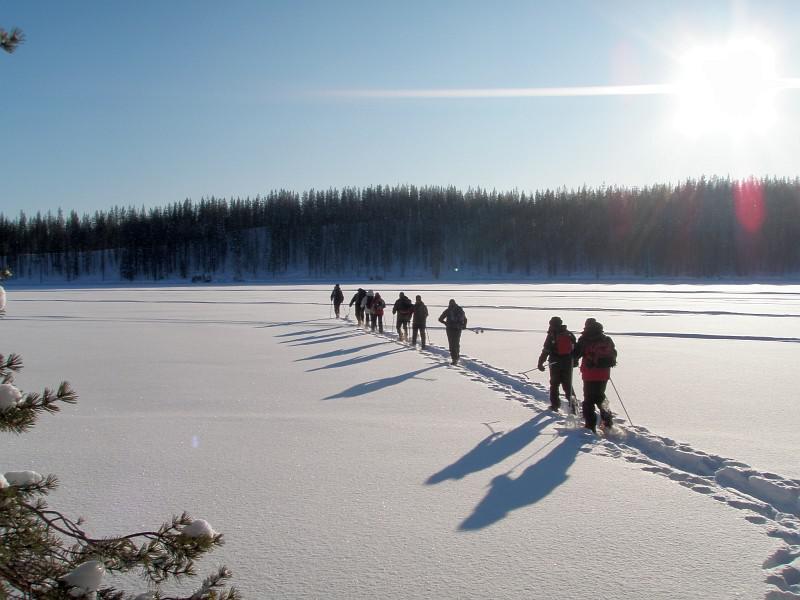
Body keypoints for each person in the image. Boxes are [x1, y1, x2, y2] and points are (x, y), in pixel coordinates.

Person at [573, 318, 617, 433]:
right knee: (600, 396)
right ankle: (608, 422)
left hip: (590, 374)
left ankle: (590, 425)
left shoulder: (585, 340)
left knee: (589, 399)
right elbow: (614, 354)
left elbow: (576, 354)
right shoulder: (606, 339)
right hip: (604, 373)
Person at [537, 316, 577, 412]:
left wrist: (540, 362)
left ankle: (555, 405)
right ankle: (574, 406)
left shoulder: (552, 335)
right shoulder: (569, 334)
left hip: (555, 362)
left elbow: (546, 350)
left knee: (554, 384)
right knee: (568, 385)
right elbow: (575, 350)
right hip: (568, 363)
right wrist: (574, 361)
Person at [438, 298, 467, 364]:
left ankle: (454, 359)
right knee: (456, 343)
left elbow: (440, 319)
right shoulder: (460, 309)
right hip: (458, 329)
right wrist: (464, 326)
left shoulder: (448, 310)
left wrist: (445, 323)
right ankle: (457, 356)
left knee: (452, 344)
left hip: (450, 329)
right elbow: (465, 319)